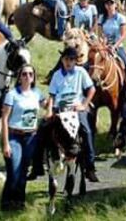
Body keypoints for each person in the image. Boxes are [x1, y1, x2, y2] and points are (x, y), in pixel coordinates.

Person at [44, 47, 98, 181]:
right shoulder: (56, 75)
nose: (68, 62)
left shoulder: (81, 72)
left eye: (71, 59)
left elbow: (91, 89)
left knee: (86, 131)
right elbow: (51, 95)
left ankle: (90, 167)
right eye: (66, 59)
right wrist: (50, 110)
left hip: (76, 108)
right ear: (62, 60)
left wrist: (84, 105)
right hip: (60, 108)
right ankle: (41, 162)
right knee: (44, 129)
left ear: (75, 61)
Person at [0, 64, 44, 211]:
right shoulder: (12, 94)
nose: (27, 77)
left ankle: (19, 202)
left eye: (30, 74)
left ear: (34, 77)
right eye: (24, 74)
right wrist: (5, 143)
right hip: (15, 136)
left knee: (24, 171)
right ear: (19, 77)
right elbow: (4, 118)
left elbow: (48, 104)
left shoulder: (37, 93)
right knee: (14, 170)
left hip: (31, 137)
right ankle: (6, 202)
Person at [98, 0, 126, 84]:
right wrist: (104, 45)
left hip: (117, 47)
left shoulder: (120, 18)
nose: (109, 5)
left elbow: (123, 35)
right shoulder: (101, 18)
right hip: (104, 47)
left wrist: (114, 46)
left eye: (111, 3)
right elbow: (100, 34)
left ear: (115, 5)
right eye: (107, 3)